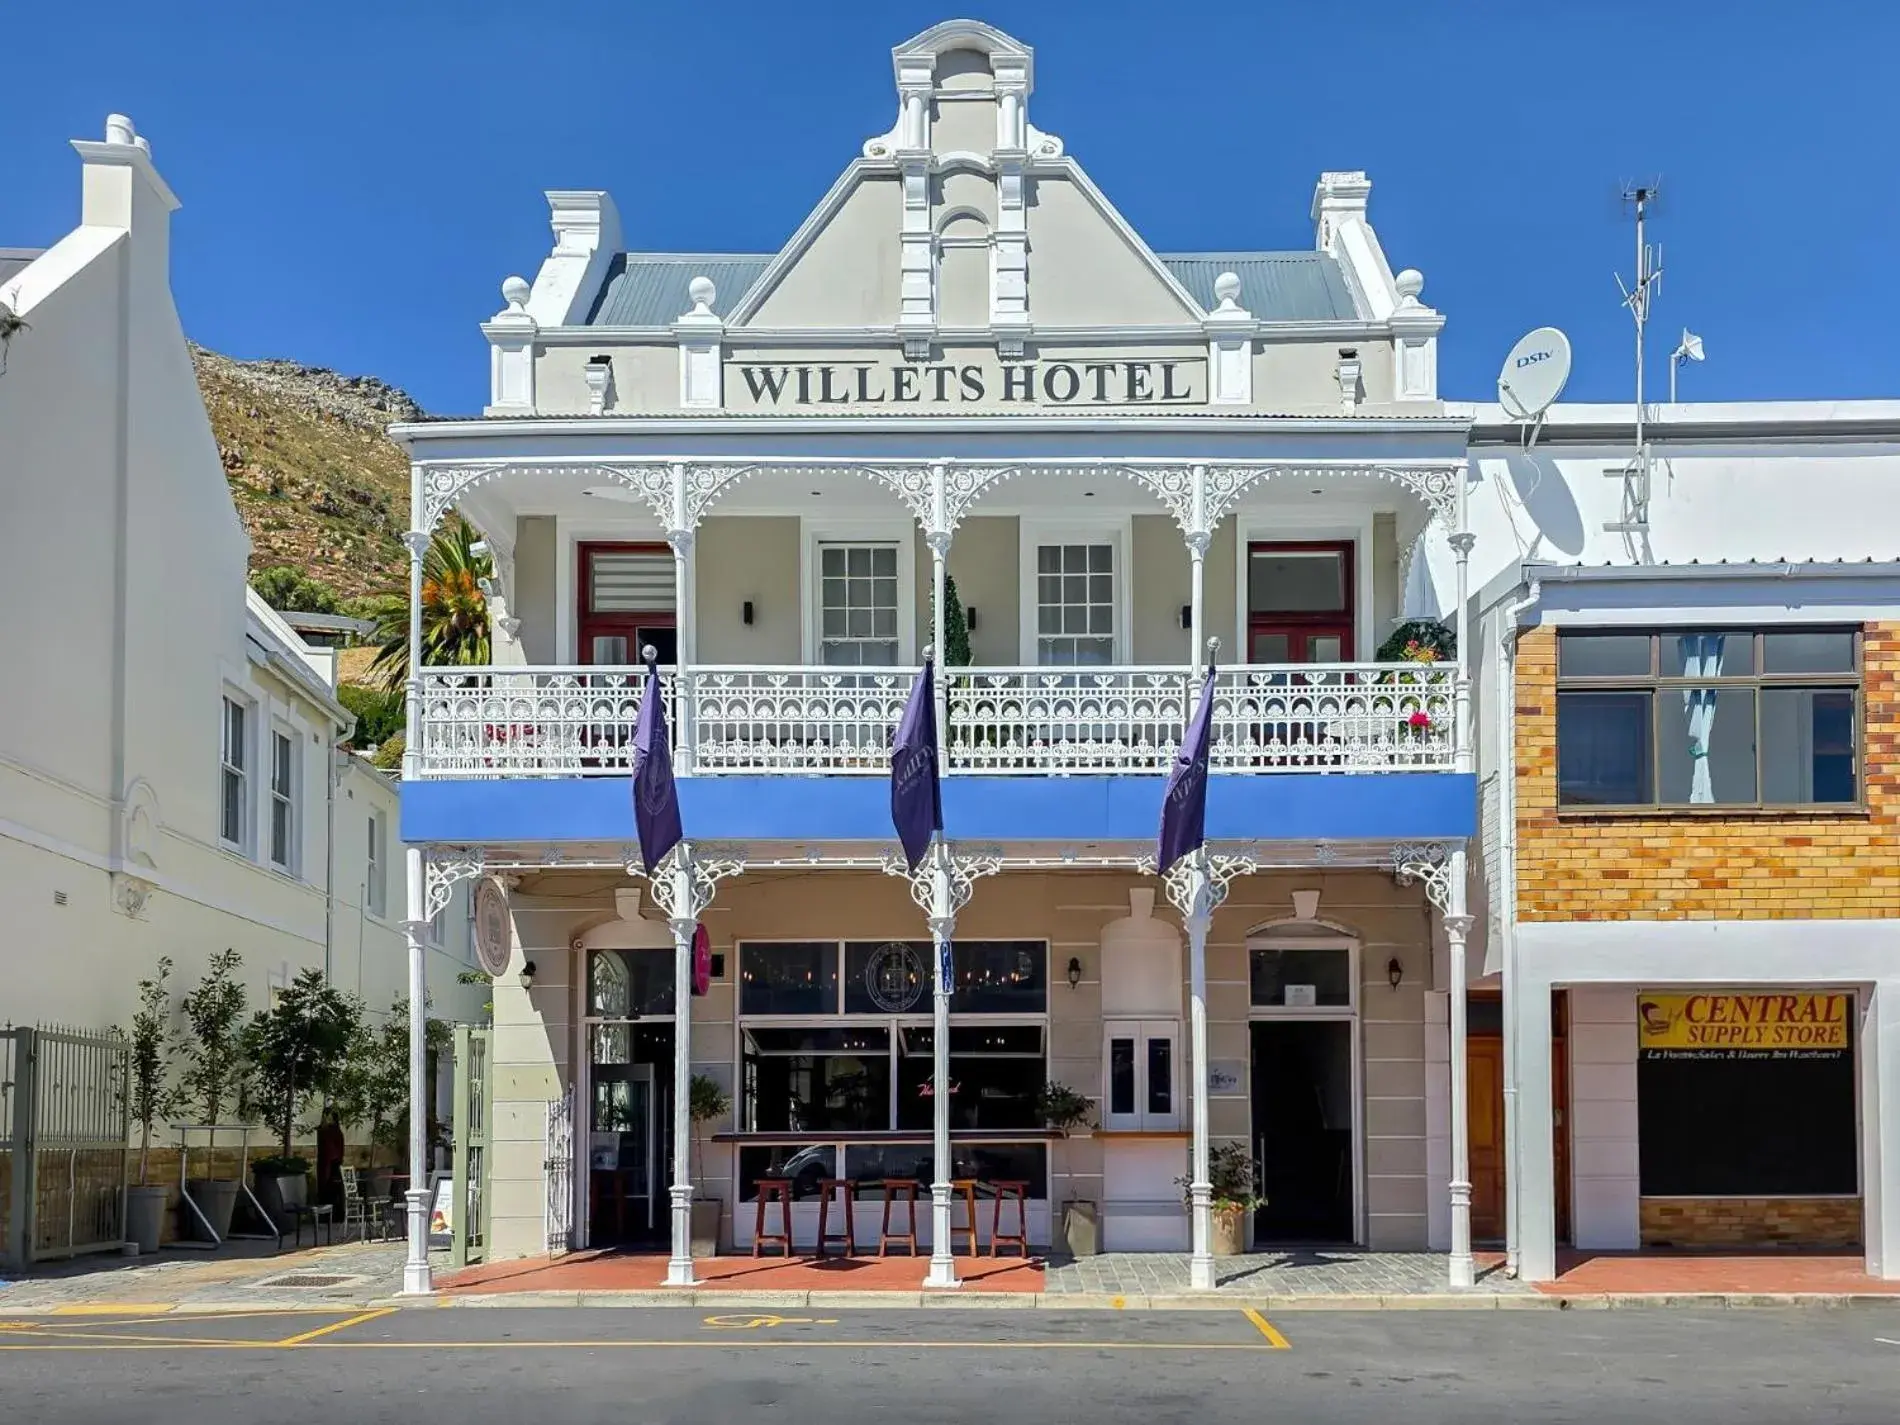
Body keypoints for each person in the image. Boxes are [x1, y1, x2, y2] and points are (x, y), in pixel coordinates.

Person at [315, 1107, 346, 1214]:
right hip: (331, 1165)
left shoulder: (330, 1132)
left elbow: (330, 1151)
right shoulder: (333, 1131)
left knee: (328, 1190)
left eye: (326, 1117)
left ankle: (329, 1213)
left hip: (330, 1166)